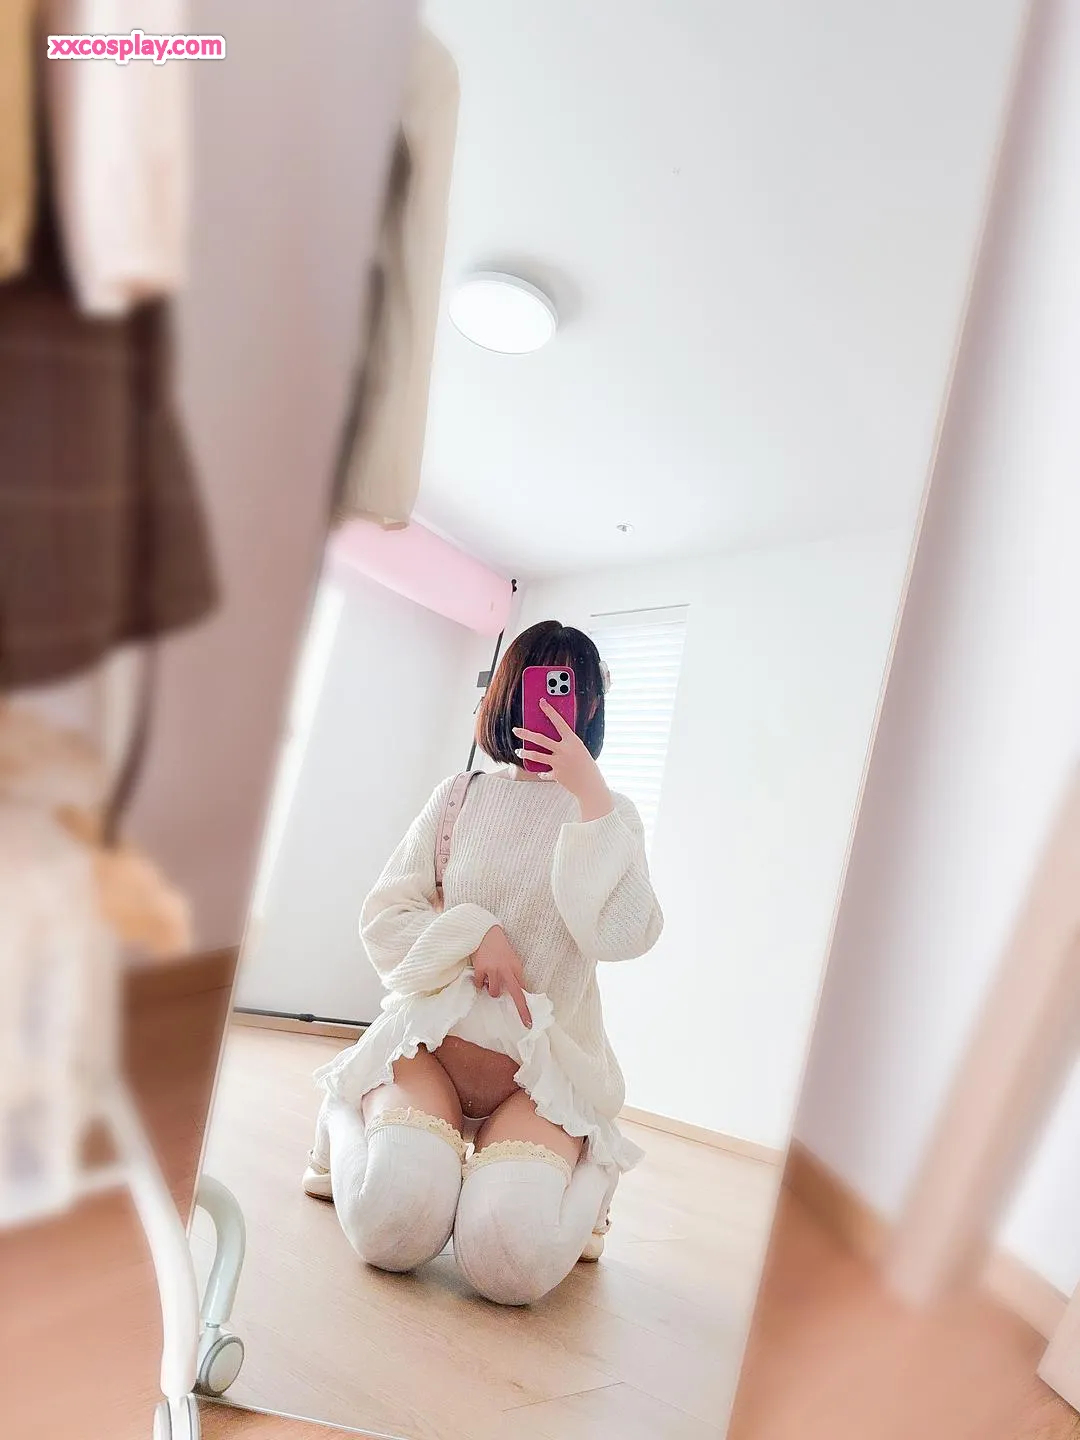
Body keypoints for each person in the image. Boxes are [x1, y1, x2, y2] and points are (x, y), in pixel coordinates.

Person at [303, 620, 663, 1306]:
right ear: (508, 693)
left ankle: (593, 1170)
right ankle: (341, 1108)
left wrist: (590, 800)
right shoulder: (460, 797)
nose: (553, 702)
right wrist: (474, 932)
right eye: (537, 682)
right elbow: (383, 919)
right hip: (433, 1051)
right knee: (391, 1226)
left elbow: (621, 935)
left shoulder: (611, 818)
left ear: (591, 703)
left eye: (571, 687)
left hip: (539, 1079)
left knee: (510, 1264)